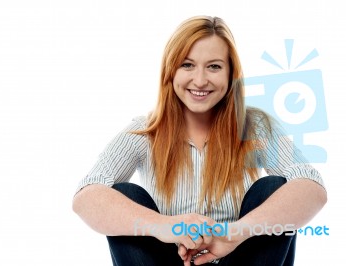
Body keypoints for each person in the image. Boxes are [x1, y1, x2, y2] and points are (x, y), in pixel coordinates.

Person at [72, 16, 327, 266]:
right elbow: (86, 197)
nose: (200, 80)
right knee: (125, 195)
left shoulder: (255, 127)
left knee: (273, 188)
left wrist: (234, 233)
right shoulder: (144, 132)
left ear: (230, 75)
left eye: (214, 66)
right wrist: (166, 227)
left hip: (241, 259)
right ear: (170, 71)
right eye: (187, 65)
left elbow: (312, 187)